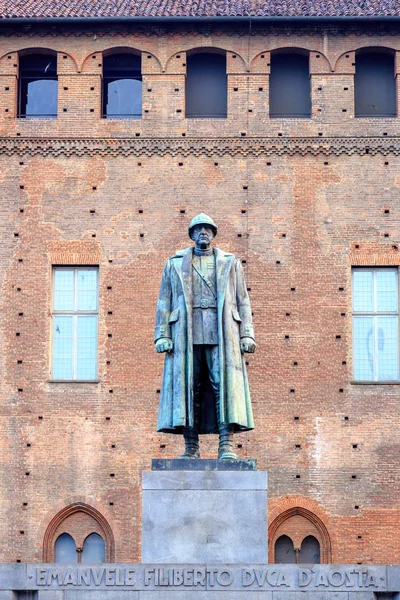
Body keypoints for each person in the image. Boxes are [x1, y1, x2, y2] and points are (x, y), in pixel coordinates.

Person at [154, 213, 256, 459]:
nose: (203, 233)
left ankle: (226, 445)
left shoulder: (230, 263)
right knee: (190, 387)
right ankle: (191, 447)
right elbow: (163, 302)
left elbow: (243, 300)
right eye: (198, 229)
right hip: (185, 333)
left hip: (222, 331)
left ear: (213, 234)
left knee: (223, 385)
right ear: (191, 234)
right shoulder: (174, 264)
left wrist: (247, 334)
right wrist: (161, 335)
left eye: (207, 229)